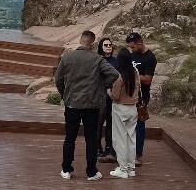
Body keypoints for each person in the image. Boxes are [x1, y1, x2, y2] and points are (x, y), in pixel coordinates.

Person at [54, 30, 120, 181]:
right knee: (91, 139)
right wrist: (103, 86)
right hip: (91, 105)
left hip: (72, 104)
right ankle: (91, 171)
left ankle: (66, 169)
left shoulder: (67, 57)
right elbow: (114, 74)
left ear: (80, 40)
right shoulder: (97, 59)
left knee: (70, 137)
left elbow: (58, 79)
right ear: (93, 43)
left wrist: (65, 94)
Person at [123, 32, 156, 165]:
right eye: (130, 48)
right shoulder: (131, 55)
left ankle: (137, 154)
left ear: (140, 43)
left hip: (142, 97)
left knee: (139, 125)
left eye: (133, 47)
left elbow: (147, 80)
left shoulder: (150, 57)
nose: (132, 50)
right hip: (128, 94)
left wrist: (132, 74)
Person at [108, 54, 141, 178]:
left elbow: (115, 95)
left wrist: (109, 92)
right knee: (131, 138)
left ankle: (123, 169)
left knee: (119, 139)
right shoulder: (135, 73)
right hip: (133, 108)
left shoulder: (119, 77)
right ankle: (131, 168)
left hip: (120, 108)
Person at [96, 37, 117, 162]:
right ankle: (98, 147)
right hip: (100, 96)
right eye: (105, 45)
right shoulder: (98, 60)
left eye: (110, 45)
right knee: (98, 124)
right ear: (101, 47)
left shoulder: (116, 61)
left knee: (111, 124)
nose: (108, 47)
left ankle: (109, 147)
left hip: (113, 98)